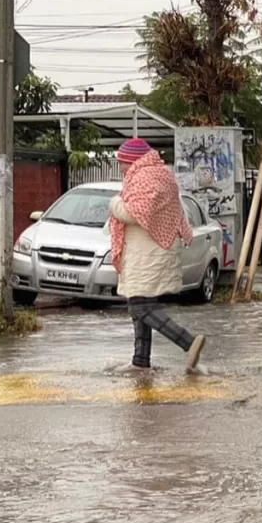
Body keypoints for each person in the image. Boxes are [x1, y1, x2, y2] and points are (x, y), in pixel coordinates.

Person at [107, 138, 205, 373]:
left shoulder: (146, 177)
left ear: (132, 161)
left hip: (148, 253)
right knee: (140, 303)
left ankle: (188, 342)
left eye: (122, 162)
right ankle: (140, 361)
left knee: (140, 307)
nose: (120, 167)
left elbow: (134, 213)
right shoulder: (159, 173)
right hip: (151, 251)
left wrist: (115, 203)